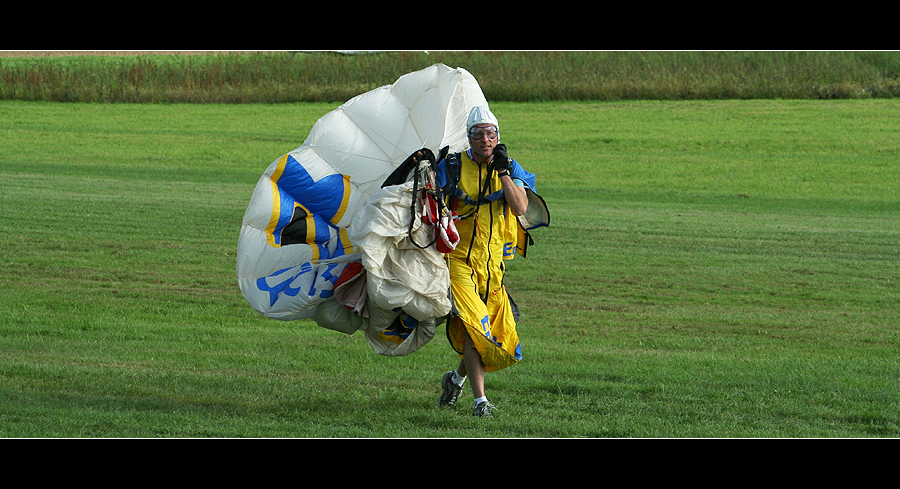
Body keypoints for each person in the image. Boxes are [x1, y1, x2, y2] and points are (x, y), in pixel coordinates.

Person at [435, 106, 537, 418]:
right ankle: (481, 403)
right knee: (474, 329)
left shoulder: (510, 167)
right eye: (477, 134)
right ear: (468, 138)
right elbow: (431, 206)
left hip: (493, 267)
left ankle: (455, 379)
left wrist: (503, 172)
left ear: (498, 137)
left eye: (490, 133)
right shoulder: (452, 167)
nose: (485, 139)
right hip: (458, 260)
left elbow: (520, 207)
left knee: (497, 335)